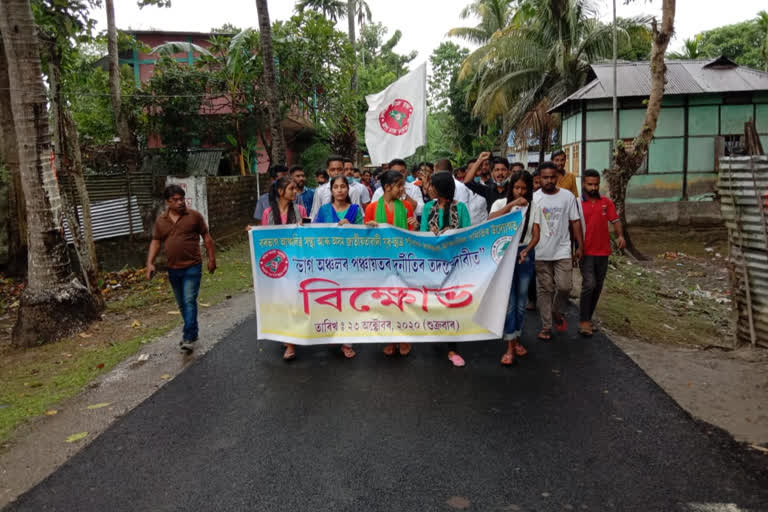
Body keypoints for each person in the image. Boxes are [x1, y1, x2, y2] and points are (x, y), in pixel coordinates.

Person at [146, 185, 216, 354]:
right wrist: (150, 262)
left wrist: (212, 259)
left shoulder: (194, 217)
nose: (179, 202)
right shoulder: (161, 221)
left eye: (181, 199)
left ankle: (188, 337)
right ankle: (193, 332)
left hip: (193, 266)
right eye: (175, 200)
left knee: (189, 300)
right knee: (182, 304)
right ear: (167, 202)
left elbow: (206, 237)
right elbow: (156, 241)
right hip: (173, 269)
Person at [419, 172, 472, 368]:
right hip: (433, 264)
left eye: (431, 185)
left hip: (454, 265)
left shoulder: (461, 208)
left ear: (439, 187)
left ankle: (452, 347)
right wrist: (429, 234)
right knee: (435, 301)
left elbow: (467, 234)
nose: (428, 188)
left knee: (452, 304)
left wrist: (451, 236)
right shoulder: (427, 207)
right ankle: (436, 332)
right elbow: (423, 232)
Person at [489, 171, 540, 365]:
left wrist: (527, 250)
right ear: (511, 188)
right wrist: (511, 205)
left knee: (521, 302)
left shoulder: (534, 207)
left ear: (529, 190)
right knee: (509, 303)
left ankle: (516, 337)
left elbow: (536, 235)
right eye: (516, 188)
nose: (520, 192)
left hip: (524, 256)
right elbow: (490, 220)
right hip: (504, 256)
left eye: (524, 189)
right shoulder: (501, 204)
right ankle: (509, 346)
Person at [364, 170, 417, 357]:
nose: (402, 189)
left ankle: (403, 338)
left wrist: (415, 226)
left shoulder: (406, 207)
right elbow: (365, 238)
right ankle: (390, 339)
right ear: (387, 187)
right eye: (399, 186)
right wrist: (368, 228)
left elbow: (412, 235)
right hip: (381, 262)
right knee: (385, 300)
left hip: (402, 261)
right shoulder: (371, 208)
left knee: (402, 300)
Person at [533, 162, 583, 340]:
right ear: (539, 178)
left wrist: (579, 246)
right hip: (540, 252)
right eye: (545, 177)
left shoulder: (567, 197)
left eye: (552, 177)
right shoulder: (535, 198)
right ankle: (546, 327)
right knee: (545, 290)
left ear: (557, 177)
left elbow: (575, 221)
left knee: (565, 287)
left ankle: (556, 311)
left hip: (562, 250)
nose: (549, 180)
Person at [312, 175, 362, 358]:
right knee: (330, 299)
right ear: (331, 190)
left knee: (349, 301)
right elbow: (315, 233)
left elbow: (363, 236)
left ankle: (347, 342)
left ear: (348, 189)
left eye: (343, 187)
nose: (340, 190)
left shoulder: (356, 210)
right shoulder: (324, 210)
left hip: (350, 263)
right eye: (336, 187)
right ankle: (330, 331)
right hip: (329, 263)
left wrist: (354, 228)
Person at [260, 177, 307, 360]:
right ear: (280, 192)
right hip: (277, 266)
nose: (295, 192)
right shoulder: (268, 213)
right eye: (291, 189)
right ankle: (290, 343)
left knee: (295, 302)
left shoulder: (300, 210)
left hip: (296, 263)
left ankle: (291, 339)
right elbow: (264, 238)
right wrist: (253, 232)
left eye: (295, 189)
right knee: (283, 302)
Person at [579, 169, 626, 336]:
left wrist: (620, 235)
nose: (593, 187)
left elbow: (615, 220)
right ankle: (583, 321)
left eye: (596, 184)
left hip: (603, 252)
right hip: (585, 252)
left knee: (598, 286)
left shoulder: (606, 202)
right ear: (583, 184)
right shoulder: (577, 203)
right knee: (589, 284)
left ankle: (588, 318)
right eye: (590, 184)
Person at [527, 168, 542, 311]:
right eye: (535, 182)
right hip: (529, 243)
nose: (537, 185)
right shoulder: (530, 200)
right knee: (531, 274)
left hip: (545, 242)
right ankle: (532, 298)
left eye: (539, 182)